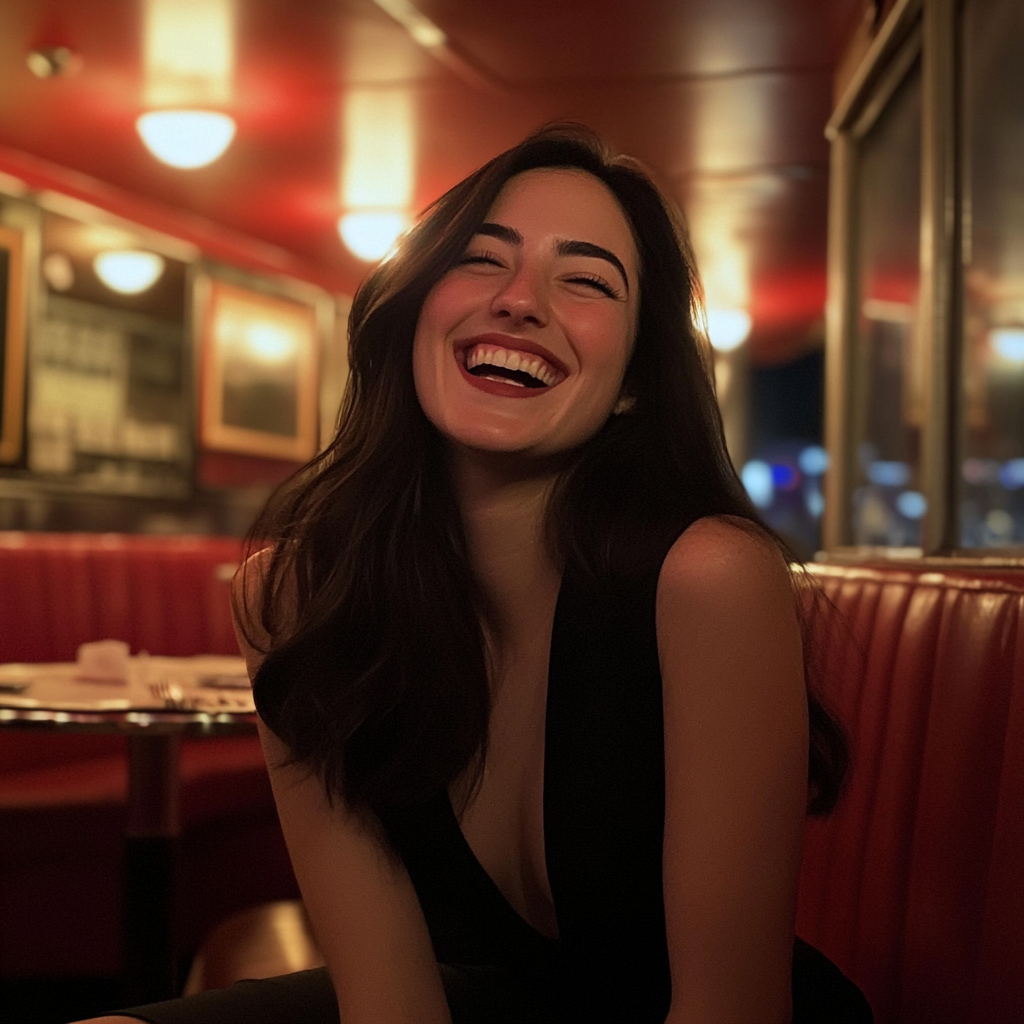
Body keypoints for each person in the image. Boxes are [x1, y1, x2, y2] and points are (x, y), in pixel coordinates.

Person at [79, 124, 871, 1024]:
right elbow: (390, 999)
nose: (520, 300)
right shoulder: (292, 599)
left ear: (633, 384)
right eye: (481, 260)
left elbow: (731, 1010)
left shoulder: (708, 578)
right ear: (415, 312)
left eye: (584, 280)